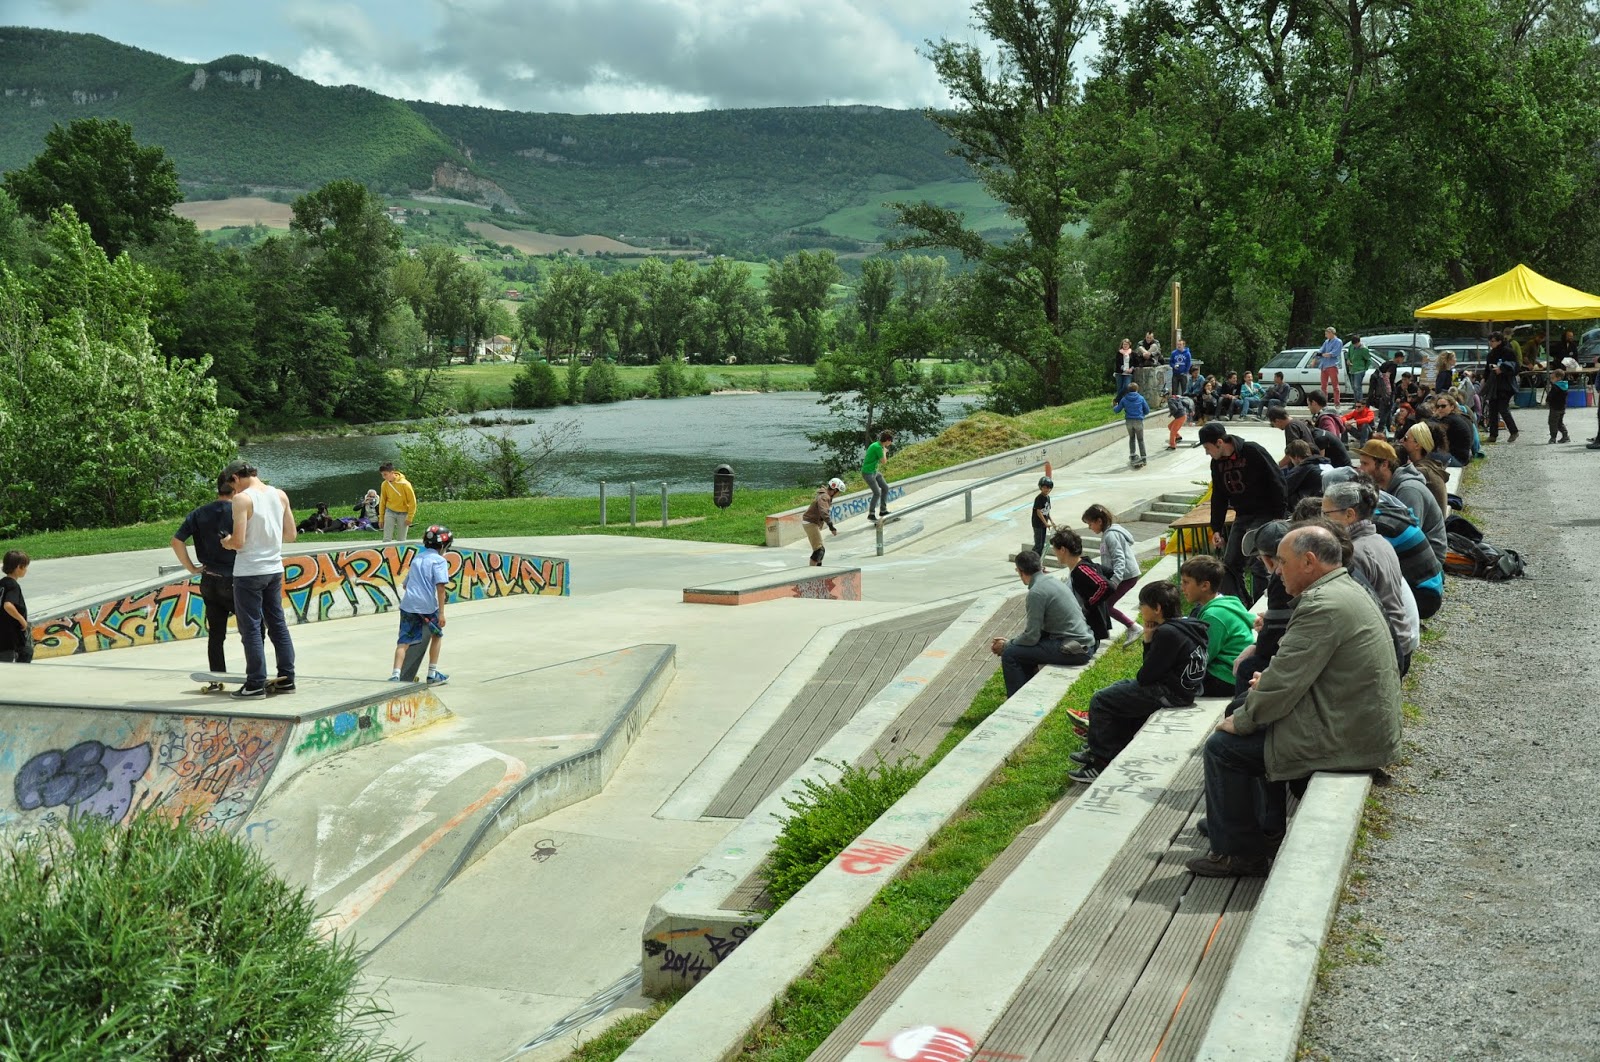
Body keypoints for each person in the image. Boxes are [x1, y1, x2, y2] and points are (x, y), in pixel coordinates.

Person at [1186, 525, 1402, 878]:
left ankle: (1239, 853)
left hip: (1347, 738)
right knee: (1245, 706)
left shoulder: (1321, 605)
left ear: (1309, 561)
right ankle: (1257, 826)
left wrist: (1242, 720)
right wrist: (1263, 688)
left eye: (1281, 562)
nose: (1275, 570)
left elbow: (1285, 681)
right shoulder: (1342, 588)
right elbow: (1292, 669)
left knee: (1224, 746)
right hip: (1353, 720)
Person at [1066, 581, 1209, 784]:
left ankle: (1101, 762)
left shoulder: (1167, 633)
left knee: (1102, 700)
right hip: (1183, 689)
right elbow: (1152, 671)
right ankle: (1107, 748)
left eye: (1142, 605)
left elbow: (1145, 676)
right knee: (1120, 688)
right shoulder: (1184, 625)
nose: (1140, 610)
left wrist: (1148, 641)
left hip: (1172, 694)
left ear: (1157, 608)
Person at [1320, 480, 1420, 676]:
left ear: (1349, 514)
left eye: (1326, 514)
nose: (1322, 520)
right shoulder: (1378, 540)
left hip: (1387, 648)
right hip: (1401, 639)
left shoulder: (1355, 553)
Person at [219, 461, 297, 698]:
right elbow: (291, 535)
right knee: (277, 623)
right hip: (274, 569)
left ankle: (255, 683)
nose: (234, 491)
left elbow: (239, 542)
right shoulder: (280, 495)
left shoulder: (243, 499)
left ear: (235, 477)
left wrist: (226, 541)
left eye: (232, 486)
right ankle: (287, 678)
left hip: (249, 571)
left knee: (251, 627)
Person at [1199, 422, 1289, 605]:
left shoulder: (1252, 451)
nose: (1207, 453)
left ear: (1219, 442)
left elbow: (1277, 480)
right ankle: (1243, 605)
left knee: (1259, 563)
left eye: (1207, 448)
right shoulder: (1216, 464)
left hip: (1266, 513)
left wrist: (1279, 515)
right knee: (1229, 565)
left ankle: (1264, 604)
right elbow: (1219, 496)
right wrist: (1216, 528)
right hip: (1242, 515)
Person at [990, 550, 1096, 696]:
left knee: (1010, 654)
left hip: (1075, 649)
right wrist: (1013, 642)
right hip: (1083, 643)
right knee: (1021, 650)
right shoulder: (1052, 581)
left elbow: (1032, 636)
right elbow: (1035, 635)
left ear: (1020, 571)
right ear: (1040, 566)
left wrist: (1007, 645)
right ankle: (1026, 693)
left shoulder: (1036, 592)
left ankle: (1016, 700)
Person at [170, 474, 237, 686]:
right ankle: (255, 675)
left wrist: (191, 568)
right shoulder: (240, 511)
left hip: (209, 580)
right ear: (235, 488)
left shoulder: (199, 513)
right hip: (234, 580)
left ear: (218, 488)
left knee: (216, 634)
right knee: (254, 629)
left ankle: (217, 677)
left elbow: (176, 540)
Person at [1357, 439, 1446, 564]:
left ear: (1384, 465)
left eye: (1365, 464)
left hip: (1428, 560)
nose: (1360, 469)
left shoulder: (1408, 490)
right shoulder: (1388, 487)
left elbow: (1409, 536)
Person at [1180, 555, 1256, 696]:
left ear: (1205, 586)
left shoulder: (1213, 615)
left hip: (1225, 677)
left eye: (1186, 582)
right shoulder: (1228, 602)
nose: (1182, 587)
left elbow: (1204, 656)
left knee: (1172, 680)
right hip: (1232, 673)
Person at [390, 524, 454, 685]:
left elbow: (405, 585)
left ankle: (395, 675)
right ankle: (432, 674)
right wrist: (441, 613)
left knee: (403, 641)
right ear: (442, 546)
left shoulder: (417, 558)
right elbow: (440, 588)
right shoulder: (439, 561)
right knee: (437, 635)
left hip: (408, 605)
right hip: (427, 607)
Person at [1082, 503, 1142, 643]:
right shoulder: (1107, 534)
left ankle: (1133, 627)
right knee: (1103, 604)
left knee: (1107, 606)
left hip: (1126, 577)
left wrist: (1114, 581)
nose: (1089, 528)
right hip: (1122, 576)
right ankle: (1104, 632)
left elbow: (1119, 558)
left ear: (1099, 521)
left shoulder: (1111, 535)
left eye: (1090, 524)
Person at [1050, 528, 1114, 645]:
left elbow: (1106, 586)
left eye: (1055, 550)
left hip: (1087, 634)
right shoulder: (1081, 567)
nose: (1055, 553)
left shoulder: (1081, 569)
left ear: (1063, 550)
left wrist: (1087, 605)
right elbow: (1109, 572)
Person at [802, 477, 846, 566]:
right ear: (834, 490)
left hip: (810, 522)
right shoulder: (824, 497)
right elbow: (823, 512)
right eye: (838, 492)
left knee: (820, 551)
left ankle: (818, 571)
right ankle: (811, 573)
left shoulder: (824, 494)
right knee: (819, 550)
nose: (838, 494)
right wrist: (831, 526)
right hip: (810, 523)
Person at [1486, 332, 1520, 443]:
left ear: (1499, 341)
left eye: (1493, 341)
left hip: (1506, 384)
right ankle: (1493, 435)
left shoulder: (1508, 352)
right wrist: (1484, 379)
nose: (1490, 343)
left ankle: (1514, 431)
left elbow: (1515, 368)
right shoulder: (1491, 354)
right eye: (1490, 341)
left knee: (1503, 408)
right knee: (1492, 409)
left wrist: (1502, 370)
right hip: (1494, 384)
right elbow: (1487, 369)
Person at [0, 550, 31, 664]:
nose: (26, 570)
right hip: (10, 638)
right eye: (25, 567)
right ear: (19, 567)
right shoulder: (13, 585)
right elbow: (8, 605)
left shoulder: (2, 583)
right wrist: (22, 620)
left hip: (3, 635)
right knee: (26, 652)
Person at [1280, 440, 1328, 507]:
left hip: (1319, 501)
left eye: (1291, 459)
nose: (1292, 462)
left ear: (1296, 457)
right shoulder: (1324, 462)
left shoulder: (1302, 468)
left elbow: (1285, 489)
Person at [1112, 381, 1150, 468]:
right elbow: (1147, 411)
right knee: (1140, 440)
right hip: (1138, 421)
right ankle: (1143, 458)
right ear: (1137, 389)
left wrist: (1114, 405)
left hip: (1129, 421)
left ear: (1128, 390)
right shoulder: (1141, 398)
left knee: (1132, 438)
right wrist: (1142, 414)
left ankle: (1132, 455)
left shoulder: (1124, 399)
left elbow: (1117, 410)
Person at [378, 462, 417, 542]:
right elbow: (382, 501)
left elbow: (412, 502)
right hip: (390, 511)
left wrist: (410, 517)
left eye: (385, 474)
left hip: (403, 513)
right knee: (386, 538)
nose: (384, 477)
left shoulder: (405, 484)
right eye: (382, 475)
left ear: (392, 473)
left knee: (401, 539)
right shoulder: (384, 484)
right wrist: (381, 517)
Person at [863, 430, 894, 521]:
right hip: (868, 473)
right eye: (890, 441)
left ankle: (883, 510)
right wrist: (884, 451)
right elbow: (884, 462)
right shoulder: (878, 447)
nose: (891, 443)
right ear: (887, 440)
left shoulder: (877, 445)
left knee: (885, 487)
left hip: (874, 472)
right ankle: (871, 514)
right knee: (877, 493)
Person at [1315, 326, 1345, 406]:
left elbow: (1335, 352)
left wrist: (1326, 354)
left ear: (1331, 333)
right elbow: (1321, 350)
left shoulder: (1338, 341)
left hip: (1332, 365)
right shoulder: (1326, 342)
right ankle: (1324, 402)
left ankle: (1337, 402)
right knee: (1323, 386)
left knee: (1335, 385)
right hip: (1324, 365)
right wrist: (1320, 354)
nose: (1325, 335)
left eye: (1326, 333)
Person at [1030, 475, 1055, 555]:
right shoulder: (1039, 498)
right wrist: (1046, 523)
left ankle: (1038, 561)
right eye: (1044, 487)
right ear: (1040, 487)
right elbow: (1039, 512)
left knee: (1042, 545)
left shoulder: (1047, 498)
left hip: (1043, 524)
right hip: (1038, 524)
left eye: (1048, 488)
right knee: (1038, 545)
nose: (1047, 489)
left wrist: (1051, 521)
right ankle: (1031, 561)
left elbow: (1047, 511)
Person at [1546, 368, 1571, 444]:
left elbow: (1551, 396)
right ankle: (1565, 435)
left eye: (1553, 378)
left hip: (1555, 408)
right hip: (1562, 408)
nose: (1551, 380)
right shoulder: (1564, 386)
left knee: (1552, 422)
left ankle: (1553, 438)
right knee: (1559, 423)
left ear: (1559, 378)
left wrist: (1547, 400)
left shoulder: (1555, 387)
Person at [1346, 336, 1371, 405]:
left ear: (1359, 342)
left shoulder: (1364, 349)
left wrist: (1364, 369)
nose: (1355, 345)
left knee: (1357, 386)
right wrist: (1348, 360)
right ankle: (1356, 403)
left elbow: (1368, 360)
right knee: (1354, 387)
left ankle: (1360, 402)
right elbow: (1348, 355)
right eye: (1354, 344)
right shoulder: (1351, 346)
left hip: (1359, 370)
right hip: (1352, 370)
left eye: (1356, 344)